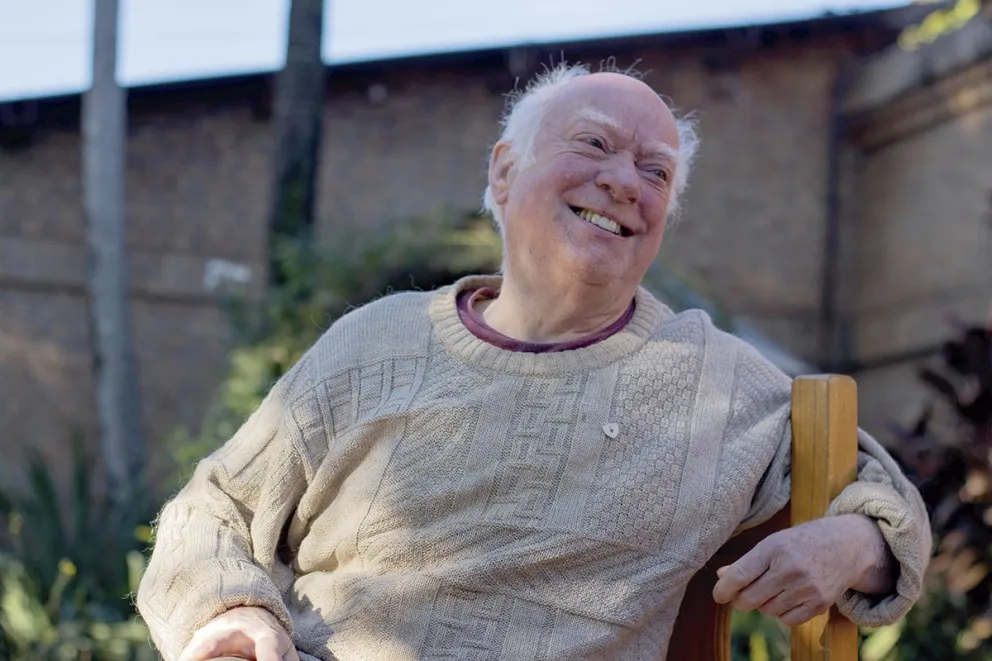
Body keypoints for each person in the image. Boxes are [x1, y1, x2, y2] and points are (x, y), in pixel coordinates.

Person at [137, 64, 931, 661]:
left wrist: (850, 545)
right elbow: (214, 505)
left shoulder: (717, 383)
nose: (623, 181)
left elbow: (887, 502)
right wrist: (231, 611)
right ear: (504, 170)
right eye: (595, 144)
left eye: (655, 171)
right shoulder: (370, 342)